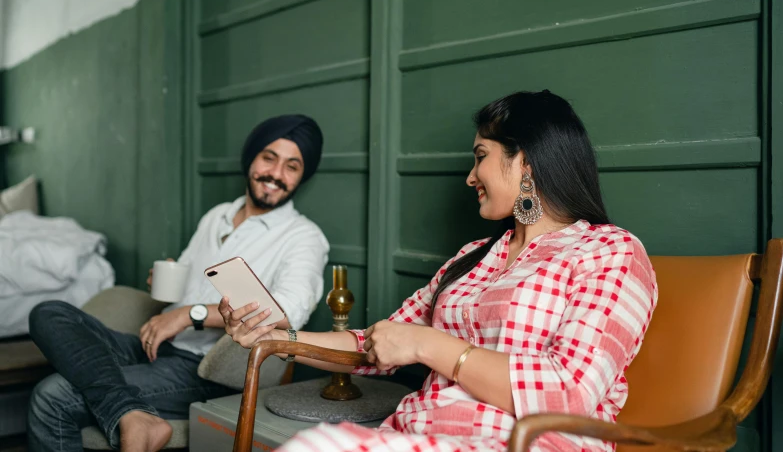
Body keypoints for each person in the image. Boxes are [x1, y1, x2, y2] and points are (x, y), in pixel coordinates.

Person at [221, 92, 658, 452]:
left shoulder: (609, 251)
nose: (471, 177)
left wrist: (430, 344)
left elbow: (570, 394)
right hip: (415, 433)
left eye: (481, 156)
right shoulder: (473, 258)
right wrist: (279, 338)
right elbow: (379, 342)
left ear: (525, 162)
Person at [27, 115, 330, 452]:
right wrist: (170, 279)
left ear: (303, 176)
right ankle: (131, 415)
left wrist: (191, 314)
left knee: (52, 395)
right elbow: (189, 278)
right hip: (153, 345)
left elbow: (287, 313)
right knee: (48, 312)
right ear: (252, 160)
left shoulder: (304, 237)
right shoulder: (217, 216)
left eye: (292, 166)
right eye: (269, 158)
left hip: (202, 370)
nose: (275, 174)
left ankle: (130, 414)